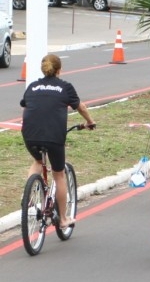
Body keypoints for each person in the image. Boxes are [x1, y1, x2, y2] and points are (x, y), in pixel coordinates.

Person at [20, 54, 96, 230]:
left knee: (38, 161)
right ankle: (62, 219)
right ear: (59, 70)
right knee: (58, 174)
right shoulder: (65, 87)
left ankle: (28, 197)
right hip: (53, 136)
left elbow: (26, 107)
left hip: (30, 134)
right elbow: (81, 108)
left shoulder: (32, 86)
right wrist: (90, 122)